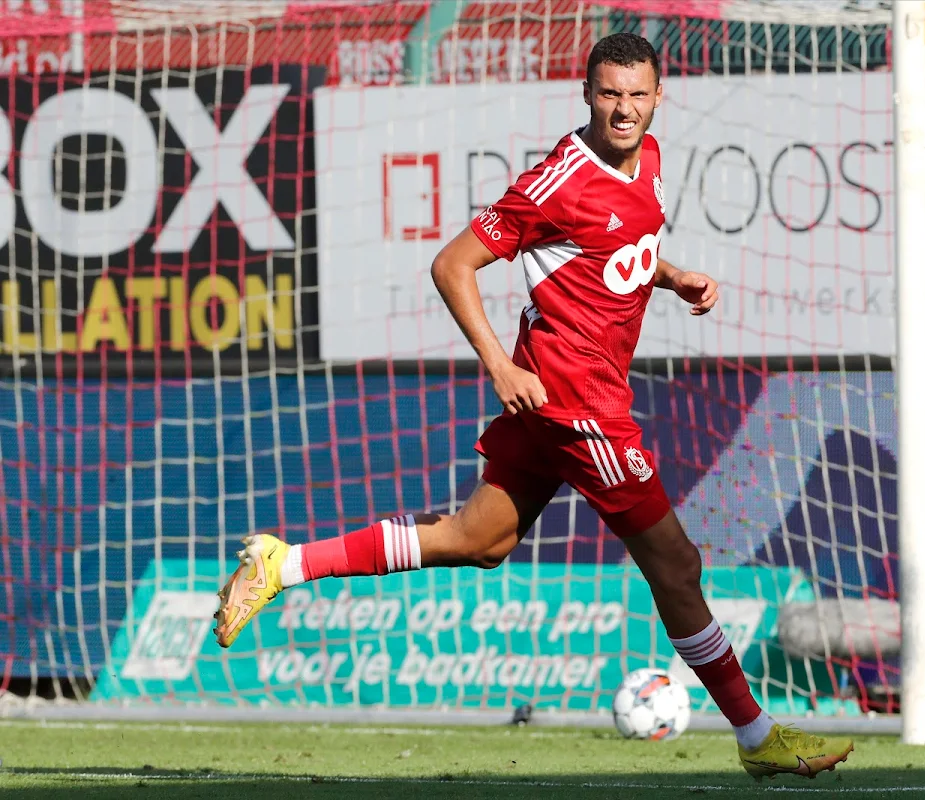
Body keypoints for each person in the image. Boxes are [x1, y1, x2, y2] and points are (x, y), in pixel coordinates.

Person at [212, 32, 852, 782]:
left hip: (573, 393)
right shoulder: (556, 182)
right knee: (676, 563)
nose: (623, 108)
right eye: (609, 93)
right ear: (587, 93)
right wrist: (497, 363)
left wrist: (669, 277)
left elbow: (612, 249)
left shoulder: (647, 159)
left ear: (657, 96)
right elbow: (452, 264)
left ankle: (282, 564)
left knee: (477, 539)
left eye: (636, 94)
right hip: (576, 404)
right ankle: (757, 736)